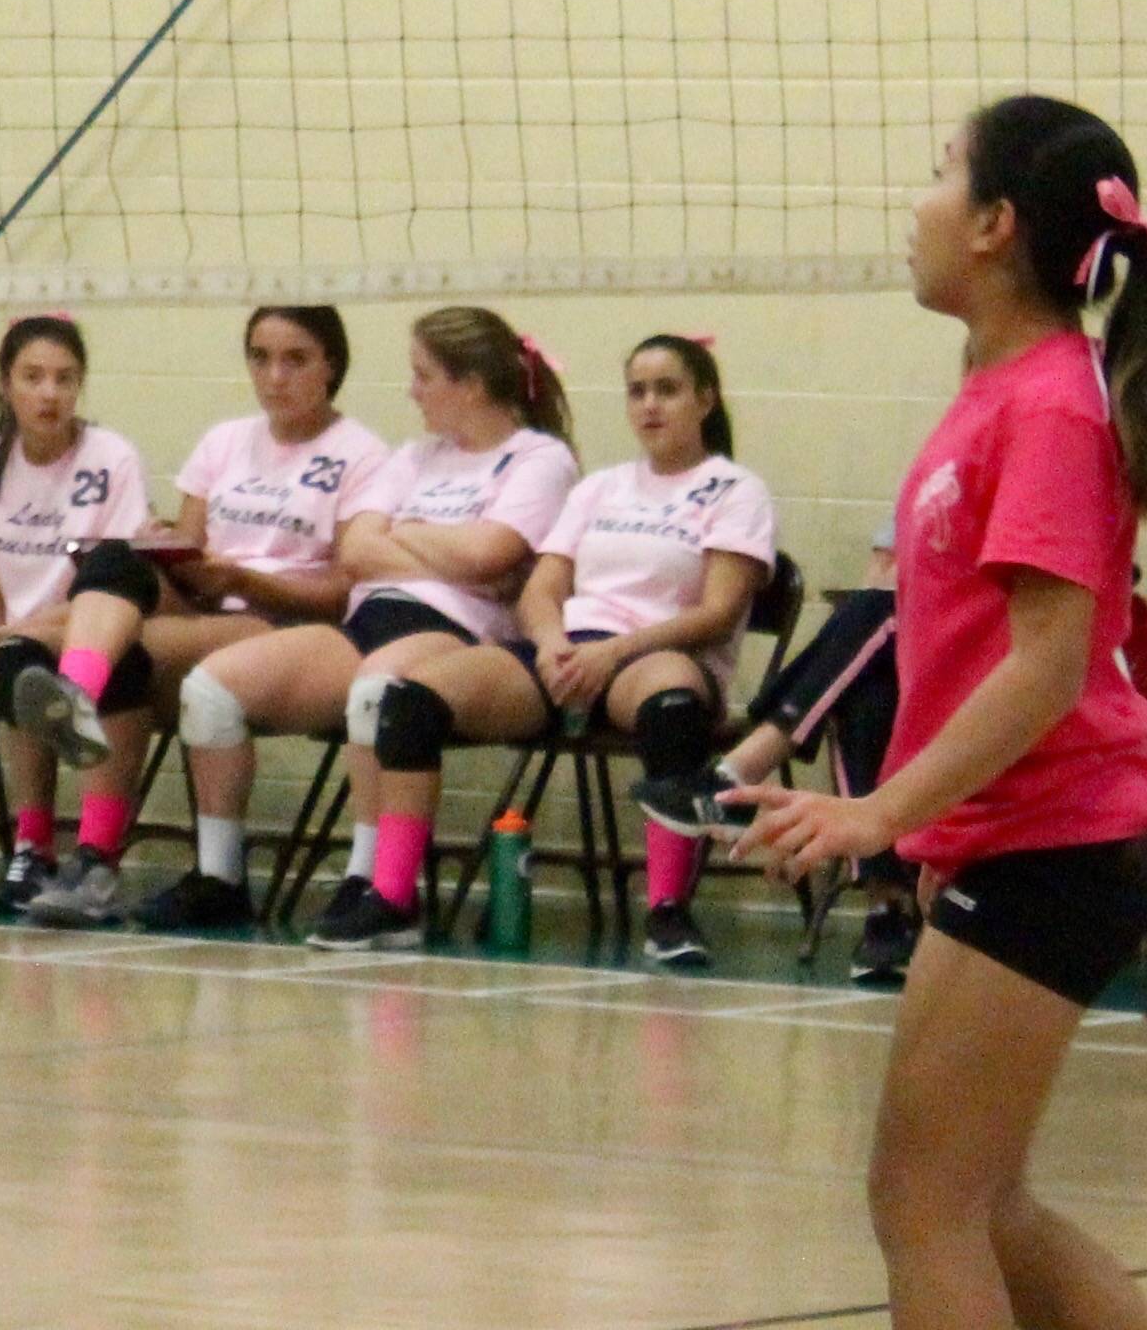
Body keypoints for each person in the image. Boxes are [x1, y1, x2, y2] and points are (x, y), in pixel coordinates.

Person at [739, 96, 1147, 1330]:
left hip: (1058, 835)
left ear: (998, 225)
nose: (919, 202)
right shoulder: (1004, 388)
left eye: (942, 174)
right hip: (1015, 833)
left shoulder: (1053, 404)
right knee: (980, 1199)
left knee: (925, 1199)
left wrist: (876, 813)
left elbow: (1051, 664)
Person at [8, 304, 385, 932]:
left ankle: (95, 831)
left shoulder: (361, 454)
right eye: (260, 358)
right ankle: (89, 806)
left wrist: (241, 577)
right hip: (204, 605)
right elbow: (190, 546)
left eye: (295, 360)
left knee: (129, 652)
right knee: (117, 557)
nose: (275, 376)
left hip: (284, 625)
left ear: (331, 367)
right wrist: (169, 548)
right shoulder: (225, 442)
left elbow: (346, 591)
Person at [279, 307, 580, 953]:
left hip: (465, 636)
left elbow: (491, 557)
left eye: (423, 376)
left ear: (469, 385)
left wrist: (408, 534)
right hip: (371, 615)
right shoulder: (416, 455)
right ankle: (320, 879)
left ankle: (380, 884)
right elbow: (357, 550)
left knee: (375, 693)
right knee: (212, 694)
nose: (411, 391)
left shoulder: (539, 459)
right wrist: (445, 547)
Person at [499, 335, 778, 967]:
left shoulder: (734, 489)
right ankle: (387, 894)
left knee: (672, 709)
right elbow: (541, 590)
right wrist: (550, 644)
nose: (650, 404)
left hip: (657, 657)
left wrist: (615, 653)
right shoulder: (600, 488)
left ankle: (668, 912)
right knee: (408, 699)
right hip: (570, 656)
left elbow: (716, 613)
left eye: (668, 389)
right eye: (637, 390)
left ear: (705, 399)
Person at [0, 317, 147, 920]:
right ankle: (32, 848)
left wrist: (18, 629)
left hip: (90, 633)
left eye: (65, 379)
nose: (50, 393)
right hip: (20, 639)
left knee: (119, 660)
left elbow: (113, 582)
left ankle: (96, 860)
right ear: (6, 384)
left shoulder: (111, 459)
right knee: (15, 661)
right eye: (34, 377)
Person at [663, 516, 918, 983]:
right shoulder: (933, 479)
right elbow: (882, 571)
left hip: (997, 653)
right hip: (922, 651)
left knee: (877, 613)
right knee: (866, 690)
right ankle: (889, 906)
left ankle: (739, 769)